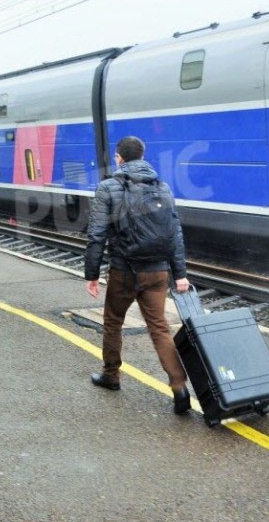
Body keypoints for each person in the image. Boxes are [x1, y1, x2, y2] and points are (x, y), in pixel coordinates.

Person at [83, 136, 192, 415]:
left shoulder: (108, 187)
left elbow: (97, 235)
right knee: (159, 328)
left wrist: (91, 274)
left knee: (113, 322)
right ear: (143, 156)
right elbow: (175, 233)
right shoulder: (162, 187)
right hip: (158, 272)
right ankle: (180, 387)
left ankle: (111, 376)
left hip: (125, 270)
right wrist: (179, 273)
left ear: (119, 157)